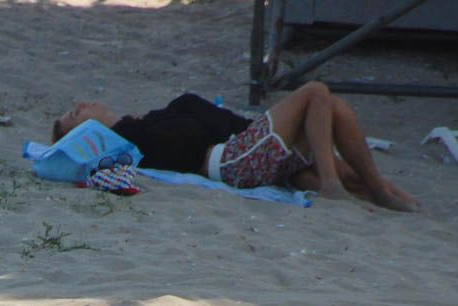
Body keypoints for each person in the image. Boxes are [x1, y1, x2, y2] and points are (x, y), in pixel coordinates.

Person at [52, 82, 420, 211]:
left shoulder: (145, 123)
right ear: (85, 131)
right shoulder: (134, 140)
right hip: (231, 160)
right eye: (75, 113)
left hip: (244, 149)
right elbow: (190, 143)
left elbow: (214, 123)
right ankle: (334, 186)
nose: (82, 104)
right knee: (315, 92)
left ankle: (382, 192)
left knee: (333, 109)